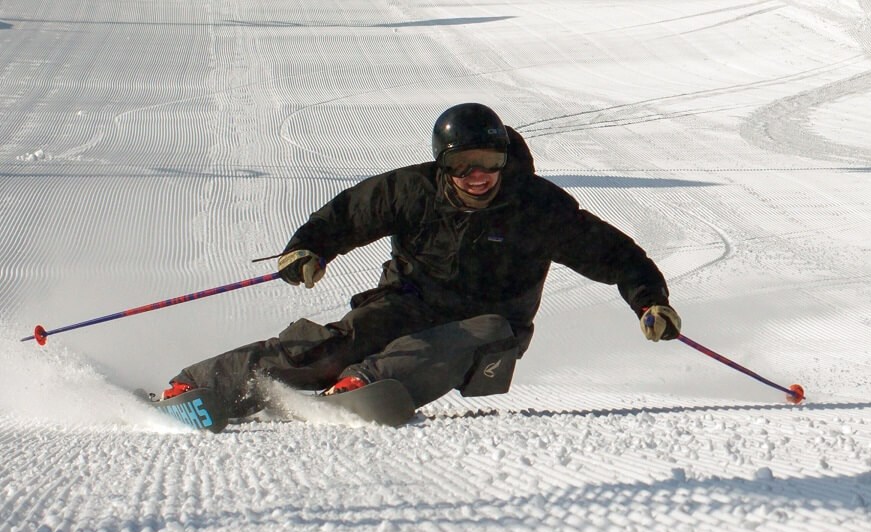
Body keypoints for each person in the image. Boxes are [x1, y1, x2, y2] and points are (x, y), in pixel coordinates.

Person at [157, 102, 681, 418]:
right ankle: (203, 387)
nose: (479, 176)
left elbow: (616, 256)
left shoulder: (538, 208)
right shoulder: (412, 191)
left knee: (462, 341)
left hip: (490, 322)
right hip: (410, 300)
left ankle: (366, 386)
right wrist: (310, 247)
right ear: (443, 164)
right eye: (464, 164)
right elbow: (349, 215)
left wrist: (649, 303)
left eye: (490, 163)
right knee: (335, 346)